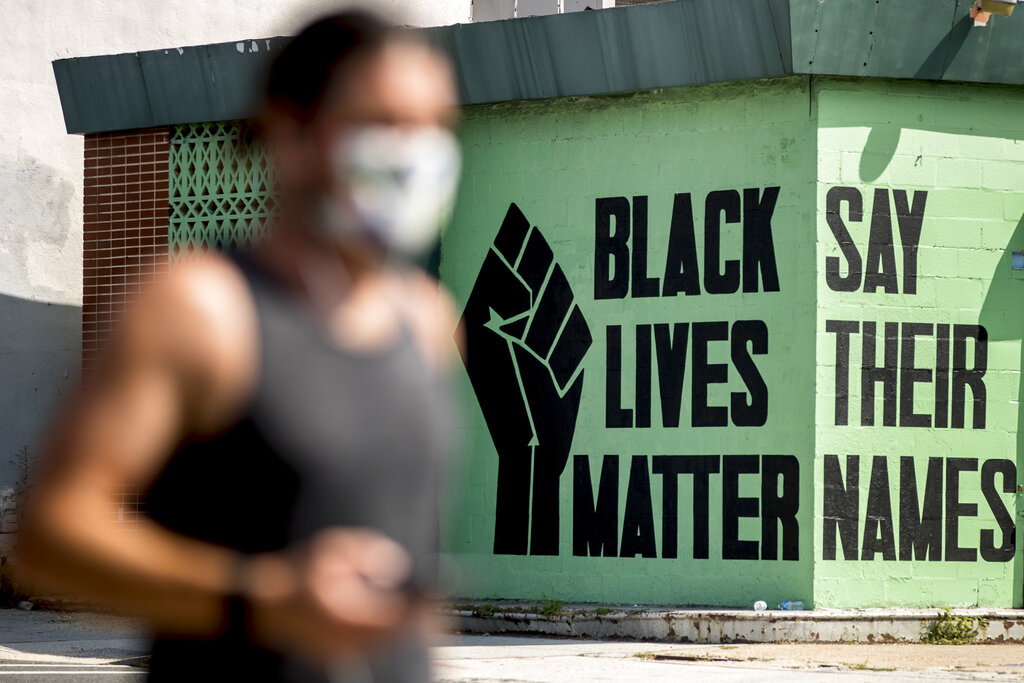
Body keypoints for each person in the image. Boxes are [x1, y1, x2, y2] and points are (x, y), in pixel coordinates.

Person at [18, 11, 461, 682]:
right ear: (291, 133)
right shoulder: (200, 308)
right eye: (381, 123)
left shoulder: (426, 320)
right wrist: (259, 598)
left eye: (433, 126)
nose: (414, 153)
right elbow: (50, 533)